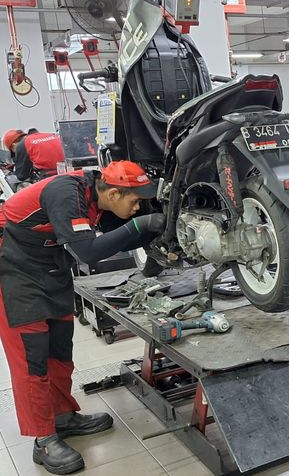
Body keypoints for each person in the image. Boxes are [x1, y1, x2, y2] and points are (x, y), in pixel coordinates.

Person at [0, 160, 166, 474]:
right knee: (32, 357)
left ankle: (62, 416)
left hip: (47, 264)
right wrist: (140, 226)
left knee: (60, 348)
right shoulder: (67, 193)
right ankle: (43, 438)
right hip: (10, 266)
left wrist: (155, 232)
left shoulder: (97, 197)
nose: (138, 207)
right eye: (135, 201)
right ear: (114, 193)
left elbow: (116, 237)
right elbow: (88, 252)